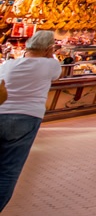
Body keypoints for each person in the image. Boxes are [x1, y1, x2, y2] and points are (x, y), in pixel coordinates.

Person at [0, 30, 62, 211]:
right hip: (27, 118)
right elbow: (56, 73)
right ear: (49, 49)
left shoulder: (8, 65)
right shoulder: (50, 65)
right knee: (8, 170)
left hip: (1, 112)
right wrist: (50, 55)